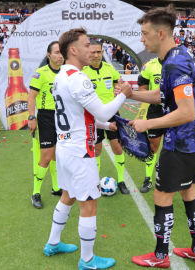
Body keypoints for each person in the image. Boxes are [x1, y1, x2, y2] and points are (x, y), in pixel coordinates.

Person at [124, 5, 195, 267]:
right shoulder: (176, 56)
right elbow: (165, 96)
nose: (141, 39)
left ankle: (160, 256)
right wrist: (132, 94)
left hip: (183, 142)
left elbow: (184, 112)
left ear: (161, 33)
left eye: (144, 33)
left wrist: (147, 122)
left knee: (162, 196)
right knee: (189, 192)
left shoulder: (173, 63)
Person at [44, 27, 131, 270]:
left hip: (65, 147)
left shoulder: (61, 76)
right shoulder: (78, 78)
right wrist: (123, 94)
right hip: (80, 151)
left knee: (68, 195)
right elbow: (102, 110)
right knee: (89, 204)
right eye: (85, 46)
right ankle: (88, 260)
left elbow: (79, 114)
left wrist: (106, 125)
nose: (90, 50)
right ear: (73, 50)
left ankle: (53, 243)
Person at [81, 40, 130, 195]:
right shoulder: (83, 71)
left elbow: (120, 85)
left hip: (112, 113)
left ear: (103, 52)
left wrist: (119, 88)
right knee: (96, 150)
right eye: (93, 52)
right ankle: (95, 182)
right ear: (89, 52)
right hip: (93, 115)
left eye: (99, 52)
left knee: (117, 148)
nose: (96, 55)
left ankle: (121, 181)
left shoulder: (110, 68)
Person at [27, 41, 64, 208]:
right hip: (46, 117)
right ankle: (36, 192)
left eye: (62, 52)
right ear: (49, 55)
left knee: (58, 155)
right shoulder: (41, 73)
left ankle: (56, 188)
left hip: (63, 117)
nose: (60, 55)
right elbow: (31, 97)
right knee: (47, 156)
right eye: (56, 52)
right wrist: (31, 117)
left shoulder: (67, 72)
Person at [136, 57, 162, 193]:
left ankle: (173, 178)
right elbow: (142, 90)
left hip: (175, 109)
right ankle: (148, 179)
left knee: (175, 146)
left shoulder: (178, 63)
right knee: (153, 146)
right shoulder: (149, 66)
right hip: (155, 110)